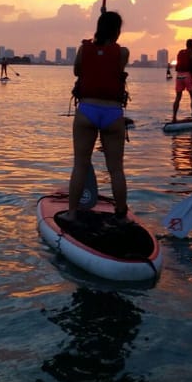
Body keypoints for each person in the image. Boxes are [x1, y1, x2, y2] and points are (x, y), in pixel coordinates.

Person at [64, 11, 130, 224]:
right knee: (116, 169)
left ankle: (72, 213)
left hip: (87, 112)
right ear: (117, 31)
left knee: (80, 165)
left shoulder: (84, 49)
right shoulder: (123, 53)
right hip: (112, 113)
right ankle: (121, 215)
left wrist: (93, 46)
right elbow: (114, 64)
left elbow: (77, 71)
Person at [172, 38, 192, 122]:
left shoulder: (180, 52)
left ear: (186, 44)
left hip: (179, 76)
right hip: (187, 76)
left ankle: (174, 117)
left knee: (178, 97)